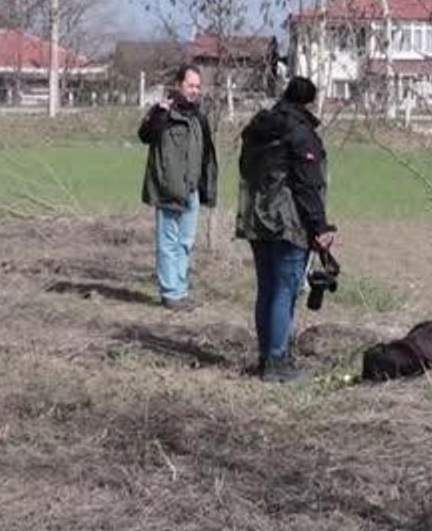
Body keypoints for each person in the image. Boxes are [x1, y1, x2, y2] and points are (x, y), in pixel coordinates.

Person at [235, 76, 335, 382]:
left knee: (267, 289)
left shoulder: (258, 127)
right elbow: (308, 184)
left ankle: (267, 357)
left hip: (255, 218)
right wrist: (320, 226)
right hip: (287, 222)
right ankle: (279, 364)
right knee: (285, 290)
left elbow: (245, 169)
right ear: (309, 101)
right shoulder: (300, 132)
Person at [138, 64, 218, 310]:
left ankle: (181, 290)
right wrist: (159, 114)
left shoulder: (198, 117)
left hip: (192, 190)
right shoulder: (164, 112)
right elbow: (145, 135)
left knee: (185, 242)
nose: (195, 91)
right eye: (190, 85)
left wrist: (207, 187)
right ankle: (170, 292)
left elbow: (206, 155)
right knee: (168, 243)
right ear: (178, 84)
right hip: (169, 190)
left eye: (197, 86)